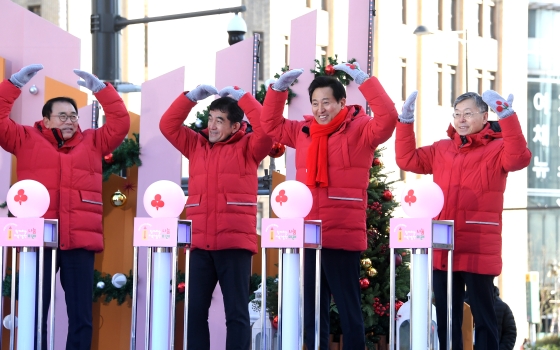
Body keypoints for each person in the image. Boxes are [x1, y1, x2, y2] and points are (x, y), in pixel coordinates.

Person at [260, 63, 398, 349]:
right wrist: (277, 91)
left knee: (349, 309)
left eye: (326, 102)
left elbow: (388, 120)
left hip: (341, 234)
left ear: (342, 102)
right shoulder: (304, 131)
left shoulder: (360, 129)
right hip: (309, 234)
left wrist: (365, 81)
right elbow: (270, 125)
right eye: (315, 103)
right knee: (312, 310)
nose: (320, 109)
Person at [0, 64, 130, 349]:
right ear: (45, 121)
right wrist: (14, 84)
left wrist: (101, 90)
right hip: (39, 241)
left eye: (73, 116)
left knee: (81, 315)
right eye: (62, 116)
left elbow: (120, 124)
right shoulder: (24, 138)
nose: (70, 121)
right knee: (35, 312)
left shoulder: (94, 141)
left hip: (78, 240)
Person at [395, 90, 530, 349]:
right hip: (444, 246)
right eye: (457, 114)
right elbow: (406, 159)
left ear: (484, 116)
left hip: (478, 244)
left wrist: (508, 117)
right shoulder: (442, 149)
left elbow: (519, 157)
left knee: (485, 317)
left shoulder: (498, 147)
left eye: (468, 113)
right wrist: (406, 121)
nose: (461, 119)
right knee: (447, 318)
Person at [159, 84, 272, 349]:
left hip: (234, 246)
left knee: (236, 315)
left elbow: (266, 129)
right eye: (210, 119)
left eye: (219, 121)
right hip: (199, 245)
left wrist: (244, 98)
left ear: (235, 126)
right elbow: (168, 125)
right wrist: (190, 98)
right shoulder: (195, 145)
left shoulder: (249, 148)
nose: (211, 126)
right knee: (195, 313)